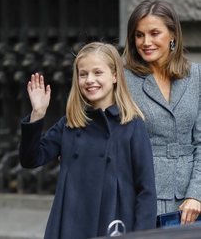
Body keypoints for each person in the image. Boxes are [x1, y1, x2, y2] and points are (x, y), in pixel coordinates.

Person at [19, 42, 157, 239]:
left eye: (98, 72)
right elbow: (30, 159)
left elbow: (146, 191)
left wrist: (143, 236)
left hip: (114, 224)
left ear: (115, 75)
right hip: (70, 224)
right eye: (83, 74)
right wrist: (38, 114)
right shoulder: (69, 124)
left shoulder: (132, 126)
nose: (90, 80)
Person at [123, 0, 201, 225]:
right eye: (139, 35)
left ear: (173, 35)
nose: (146, 42)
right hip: (141, 195)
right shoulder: (124, 78)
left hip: (191, 202)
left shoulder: (196, 75)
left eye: (154, 33)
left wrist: (196, 193)